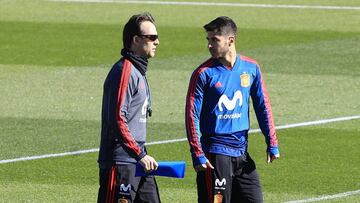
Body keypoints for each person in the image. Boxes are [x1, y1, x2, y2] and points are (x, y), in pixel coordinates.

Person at [185, 16, 280, 203]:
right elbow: (191, 115)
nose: (209, 45)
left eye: (215, 40)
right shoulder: (203, 74)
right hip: (215, 155)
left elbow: (263, 106)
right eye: (208, 40)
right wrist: (197, 153)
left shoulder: (251, 68)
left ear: (231, 40)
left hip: (242, 153)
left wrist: (272, 142)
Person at [97, 12, 161, 203]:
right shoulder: (125, 71)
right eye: (152, 37)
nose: (157, 42)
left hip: (138, 159)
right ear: (135, 39)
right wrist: (139, 153)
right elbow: (118, 118)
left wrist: (141, 154)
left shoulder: (138, 71)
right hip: (121, 162)